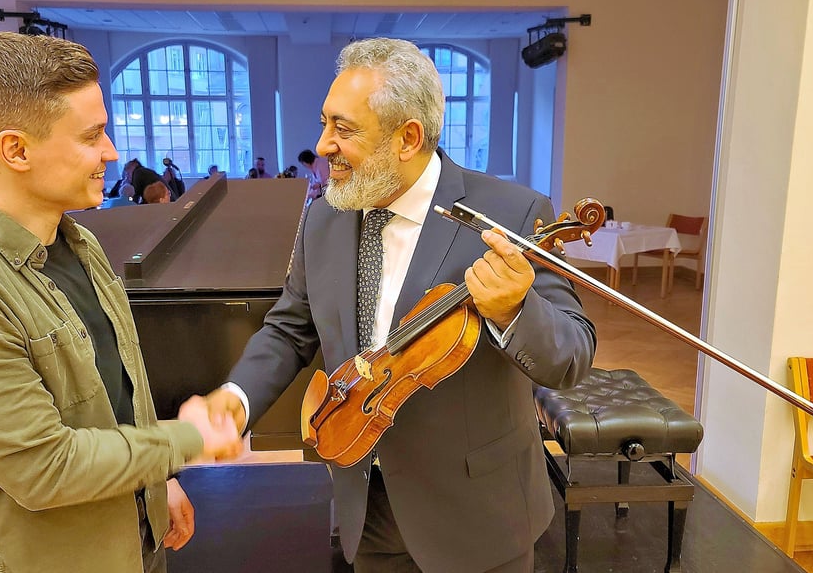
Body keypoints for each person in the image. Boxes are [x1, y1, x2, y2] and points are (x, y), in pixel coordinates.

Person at [206, 38, 596, 573]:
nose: (323, 145)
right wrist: (238, 396)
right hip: (364, 505)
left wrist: (514, 310)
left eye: (344, 130)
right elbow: (290, 328)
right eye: (325, 123)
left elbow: (571, 357)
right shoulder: (324, 217)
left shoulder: (512, 212)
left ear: (408, 137)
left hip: (476, 516)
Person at [0, 32, 243, 573]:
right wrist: (187, 441)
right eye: (91, 135)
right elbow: (45, 466)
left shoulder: (79, 242)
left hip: (136, 544)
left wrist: (158, 481)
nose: (112, 152)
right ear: (16, 150)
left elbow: (118, 393)